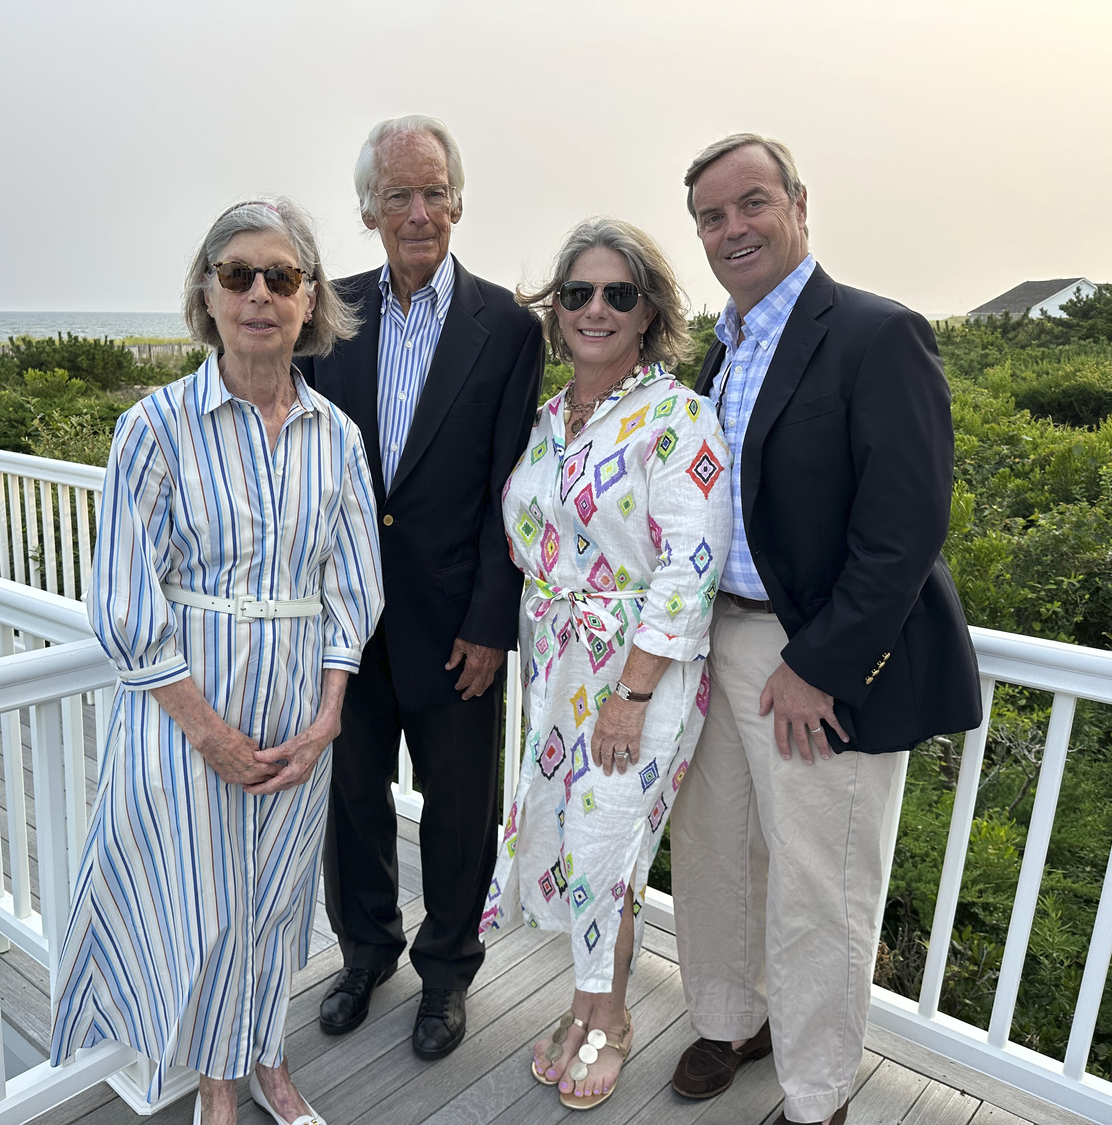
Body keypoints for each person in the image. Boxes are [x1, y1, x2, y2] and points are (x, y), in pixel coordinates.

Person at [667, 134, 982, 1125]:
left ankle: (816, 1097)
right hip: (715, 641)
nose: (733, 229)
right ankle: (730, 1019)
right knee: (716, 853)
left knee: (820, 886)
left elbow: (904, 525)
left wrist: (823, 666)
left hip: (810, 658)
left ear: (799, 204)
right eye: (712, 218)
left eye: (750, 204)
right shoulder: (721, 346)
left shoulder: (878, 334)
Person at [49, 198, 384, 1125]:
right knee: (199, 901)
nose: (259, 293)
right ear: (208, 294)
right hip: (186, 707)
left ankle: (266, 1060)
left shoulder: (338, 438)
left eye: (281, 276)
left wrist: (328, 717)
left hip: (296, 704)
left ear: (310, 298)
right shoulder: (155, 427)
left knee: (274, 900)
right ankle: (217, 1079)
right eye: (238, 274)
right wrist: (208, 734)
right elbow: (122, 598)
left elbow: (353, 589)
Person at [293, 115, 543, 1061]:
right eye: (398, 194)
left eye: (434, 190)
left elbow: (505, 486)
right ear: (368, 210)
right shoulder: (332, 313)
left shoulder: (508, 329)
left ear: (459, 200)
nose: (419, 210)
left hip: (455, 627)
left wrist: (491, 620)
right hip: (347, 626)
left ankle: (445, 973)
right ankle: (365, 954)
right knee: (352, 803)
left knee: (460, 812)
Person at [479, 218, 732, 1109]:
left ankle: (611, 1016)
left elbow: (688, 568)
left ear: (649, 311)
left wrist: (629, 693)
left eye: (617, 294)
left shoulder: (678, 417)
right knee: (568, 839)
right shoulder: (553, 418)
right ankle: (585, 999)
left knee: (605, 845)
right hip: (557, 666)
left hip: (638, 674)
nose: (595, 308)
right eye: (577, 293)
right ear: (556, 311)